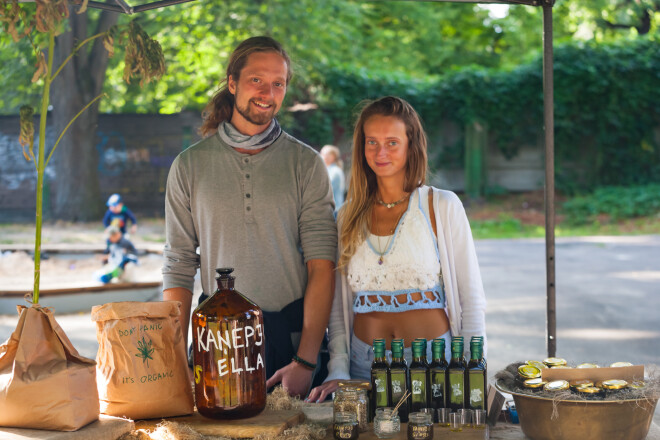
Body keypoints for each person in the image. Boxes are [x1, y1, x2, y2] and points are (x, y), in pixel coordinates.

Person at [162, 36, 337, 398]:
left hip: (290, 347)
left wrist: (305, 362)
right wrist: (175, 358)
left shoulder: (306, 164)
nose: (267, 92)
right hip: (216, 347)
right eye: (257, 79)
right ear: (232, 82)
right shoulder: (189, 166)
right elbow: (178, 264)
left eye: (278, 83)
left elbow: (322, 265)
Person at [307, 96, 487, 402]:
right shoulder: (345, 217)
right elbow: (337, 304)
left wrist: (471, 367)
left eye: (392, 142)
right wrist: (338, 368)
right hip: (365, 365)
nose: (380, 152)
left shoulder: (441, 206)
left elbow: (471, 297)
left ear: (411, 144)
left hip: (434, 362)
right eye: (372, 142)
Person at [320, 145, 346, 210]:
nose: (320, 156)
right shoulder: (327, 170)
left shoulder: (335, 172)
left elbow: (323, 190)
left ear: (332, 157)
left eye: (323, 154)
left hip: (333, 212)